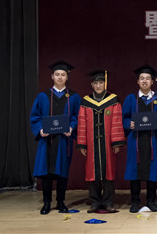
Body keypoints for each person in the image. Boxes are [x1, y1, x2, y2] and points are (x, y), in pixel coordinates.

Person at [30, 60, 80, 215]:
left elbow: (77, 116)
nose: (60, 77)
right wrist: (40, 129)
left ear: (67, 77)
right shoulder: (43, 96)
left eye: (63, 75)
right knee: (46, 173)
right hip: (47, 140)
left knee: (62, 172)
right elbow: (35, 116)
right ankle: (46, 203)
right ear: (52, 76)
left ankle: (60, 202)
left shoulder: (74, 97)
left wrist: (71, 127)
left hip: (64, 141)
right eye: (57, 74)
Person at [76, 69, 125, 213]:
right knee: (92, 173)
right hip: (91, 144)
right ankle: (95, 202)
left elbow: (117, 122)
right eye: (96, 83)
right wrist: (82, 144)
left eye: (101, 83)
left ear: (105, 84)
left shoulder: (113, 100)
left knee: (108, 172)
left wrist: (116, 143)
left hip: (108, 144)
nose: (98, 86)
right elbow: (82, 123)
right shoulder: (86, 102)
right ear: (92, 85)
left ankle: (108, 202)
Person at [122, 65, 157, 213]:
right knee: (135, 171)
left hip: (152, 141)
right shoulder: (131, 99)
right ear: (138, 81)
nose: (145, 81)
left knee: (152, 171)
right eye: (142, 78)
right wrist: (129, 123)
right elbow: (124, 118)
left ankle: (151, 201)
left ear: (152, 81)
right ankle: (135, 201)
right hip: (136, 141)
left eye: (147, 78)